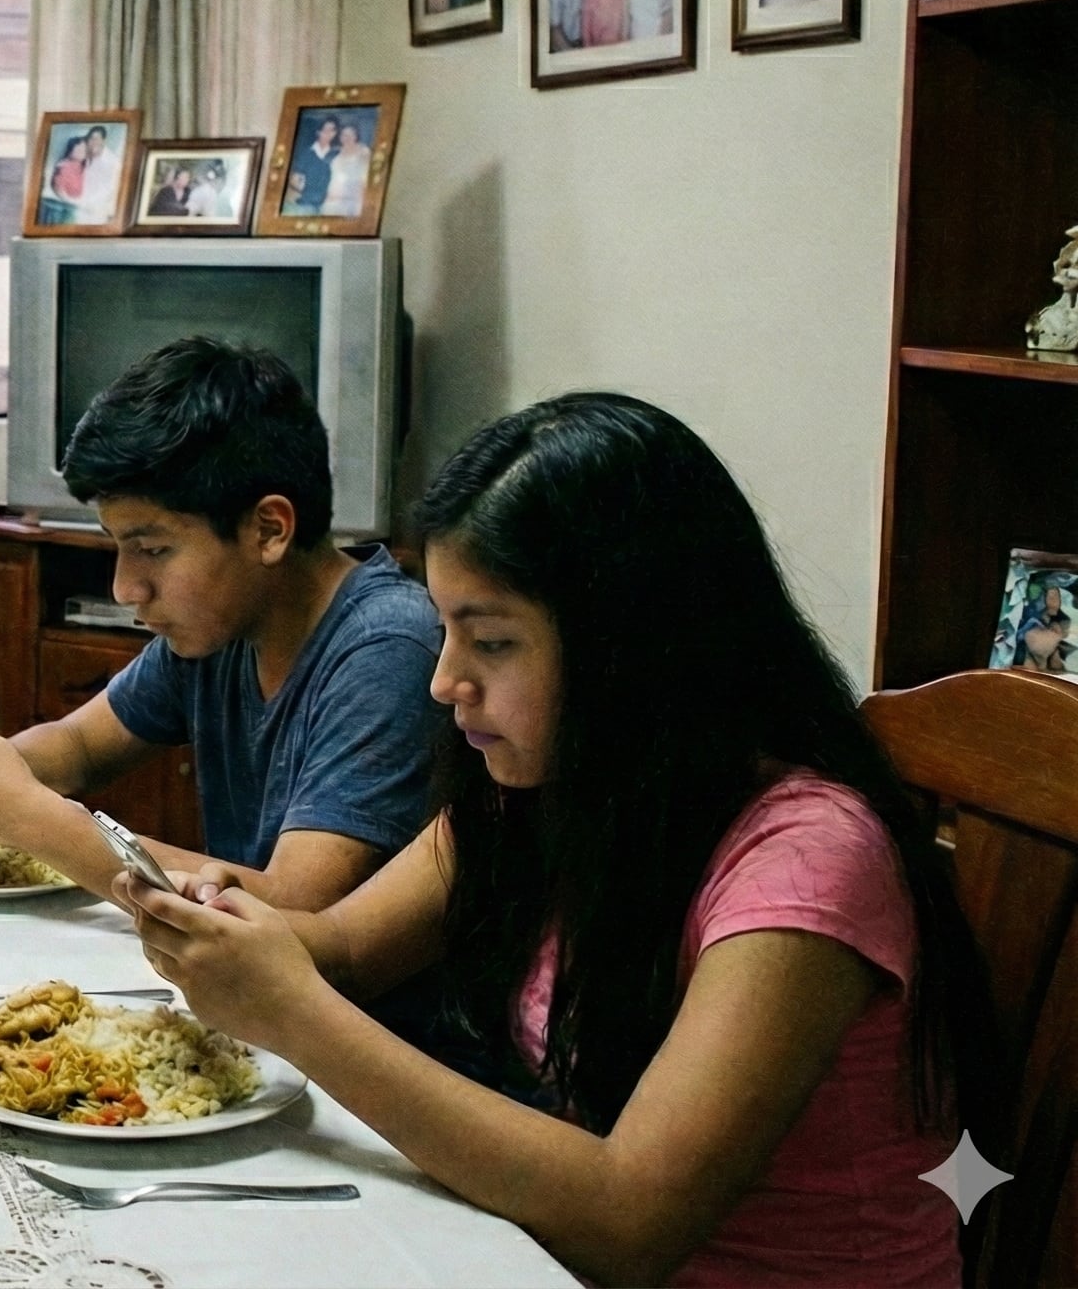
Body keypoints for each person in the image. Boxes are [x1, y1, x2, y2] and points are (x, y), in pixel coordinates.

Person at [127, 393, 997, 1287]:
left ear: (630, 650)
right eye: (446, 631)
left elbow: (630, 1220)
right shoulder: (552, 781)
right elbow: (346, 948)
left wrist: (291, 1012)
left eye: (492, 641)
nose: (445, 682)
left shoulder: (808, 859)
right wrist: (228, 923)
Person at [0, 337, 443, 916]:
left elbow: (297, 909)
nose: (125, 589)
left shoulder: (389, 646)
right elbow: (78, 745)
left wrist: (31, 819)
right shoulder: (221, 629)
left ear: (269, 530)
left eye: (152, 549)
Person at [289, 116, 339, 217]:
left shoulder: (336, 154)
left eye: (332, 130)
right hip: (306, 204)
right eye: (325, 130)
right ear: (318, 132)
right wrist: (308, 191)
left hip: (330, 205)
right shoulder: (307, 153)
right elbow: (294, 180)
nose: (329, 134)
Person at [322, 120, 372, 218]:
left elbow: (367, 177)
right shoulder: (334, 153)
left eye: (351, 135)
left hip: (354, 202)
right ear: (340, 137)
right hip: (333, 201)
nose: (347, 138)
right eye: (344, 135)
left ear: (356, 136)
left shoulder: (364, 152)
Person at [38, 133, 89, 227]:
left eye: (84, 149)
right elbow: (58, 189)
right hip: (61, 206)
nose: (81, 152)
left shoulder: (83, 167)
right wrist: (71, 202)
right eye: (78, 148)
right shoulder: (63, 165)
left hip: (74, 204)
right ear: (70, 150)